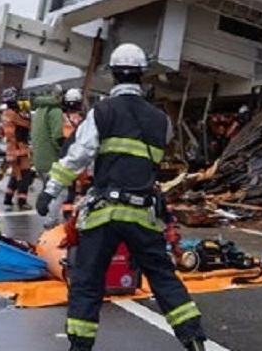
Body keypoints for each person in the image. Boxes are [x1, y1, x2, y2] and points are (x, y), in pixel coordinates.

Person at [36, 44, 208, 351]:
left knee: (87, 281)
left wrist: (49, 191)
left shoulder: (102, 113)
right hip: (144, 213)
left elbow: (78, 155)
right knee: (163, 278)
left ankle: (80, 347)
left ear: (113, 75)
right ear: (142, 76)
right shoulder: (160, 120)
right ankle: (193, 339)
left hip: (104, 213)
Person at [1, 89, 34, 210]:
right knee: (25, 174)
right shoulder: (14, 114)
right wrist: (26, 112)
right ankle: (22, 200)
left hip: (11, 147)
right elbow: (27, 125)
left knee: (16, 173)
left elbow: (2, 131)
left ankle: (8, 197)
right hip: (19, 148)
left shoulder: (5, 113)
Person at [60, 88, 89, 219]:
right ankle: (80, 214)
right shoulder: (83, 119)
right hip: (80, 156)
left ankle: (67, 214)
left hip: (67, 157)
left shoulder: (61, 118)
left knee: (70, 189)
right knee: (84, 187)